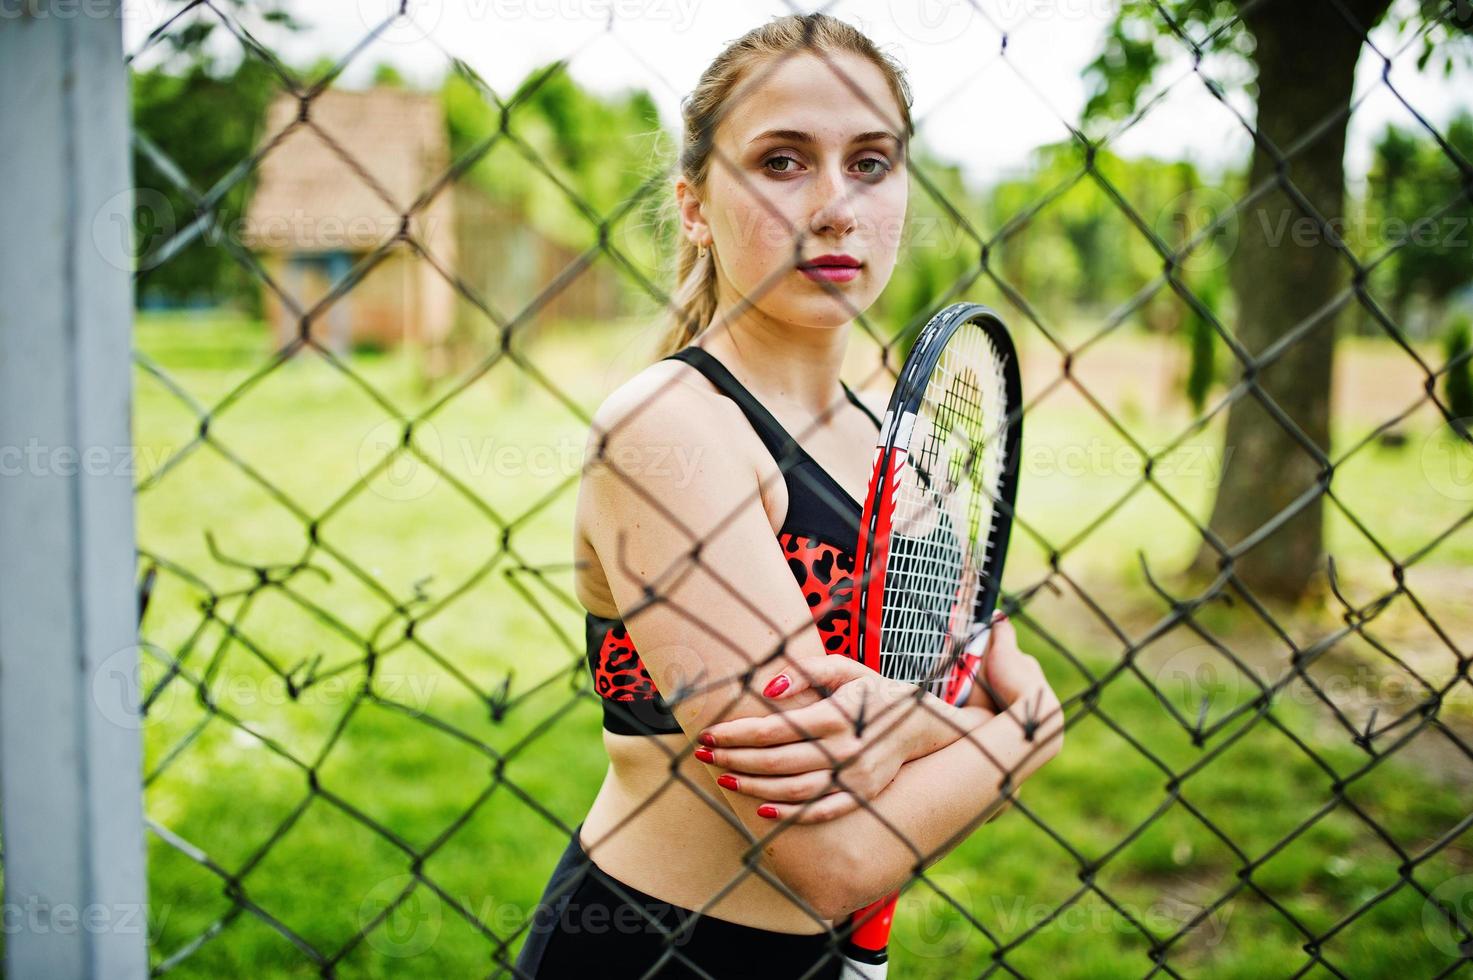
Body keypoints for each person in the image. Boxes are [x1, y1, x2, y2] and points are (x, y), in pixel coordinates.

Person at [513, 12, 1065, 979]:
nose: (833, 207)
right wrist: (1022, 735)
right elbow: (827, 855)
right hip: (650, 951)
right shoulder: (670, 433)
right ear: (692, 204)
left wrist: (920, 726)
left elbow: (978, 672)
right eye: (780, 161)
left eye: (869, 163)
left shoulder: (907, 442)